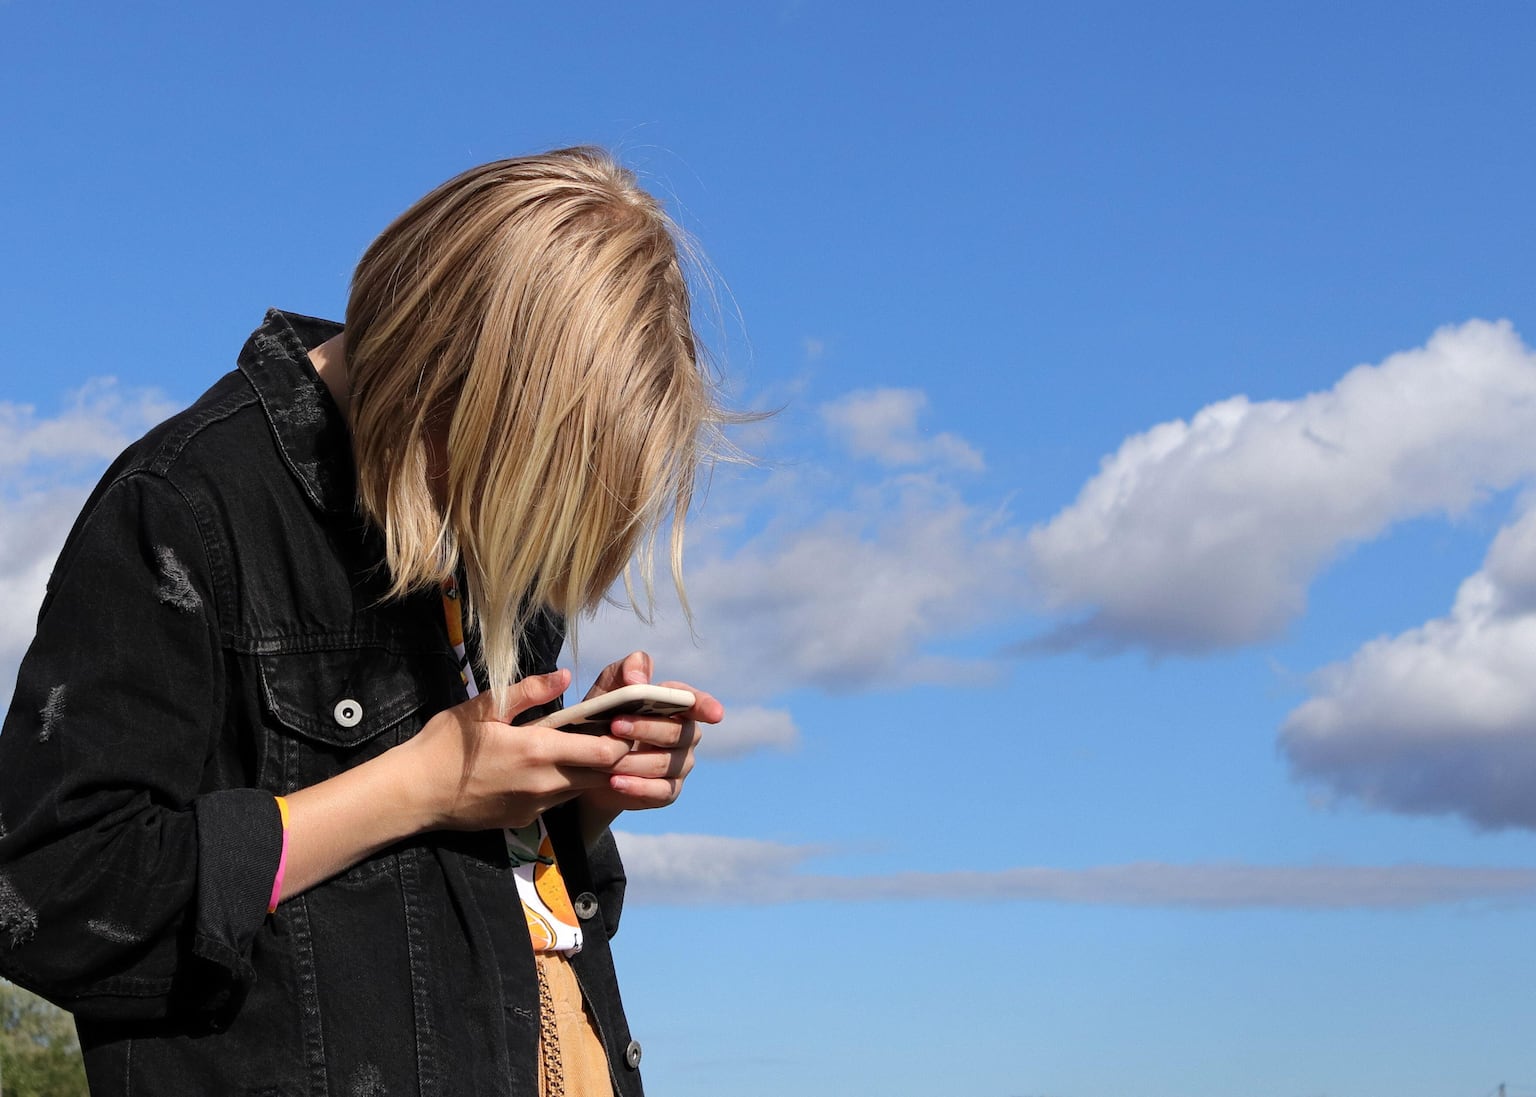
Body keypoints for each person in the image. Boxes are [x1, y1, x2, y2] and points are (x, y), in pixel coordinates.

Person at [0, 147, 729, 1097]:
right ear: (447, 374)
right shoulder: (185, 506)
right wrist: (419, 786)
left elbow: (449, 923)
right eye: (522, 468)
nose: (509, 526)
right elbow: (49, 893)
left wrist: (573, 791)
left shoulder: (467, 516)